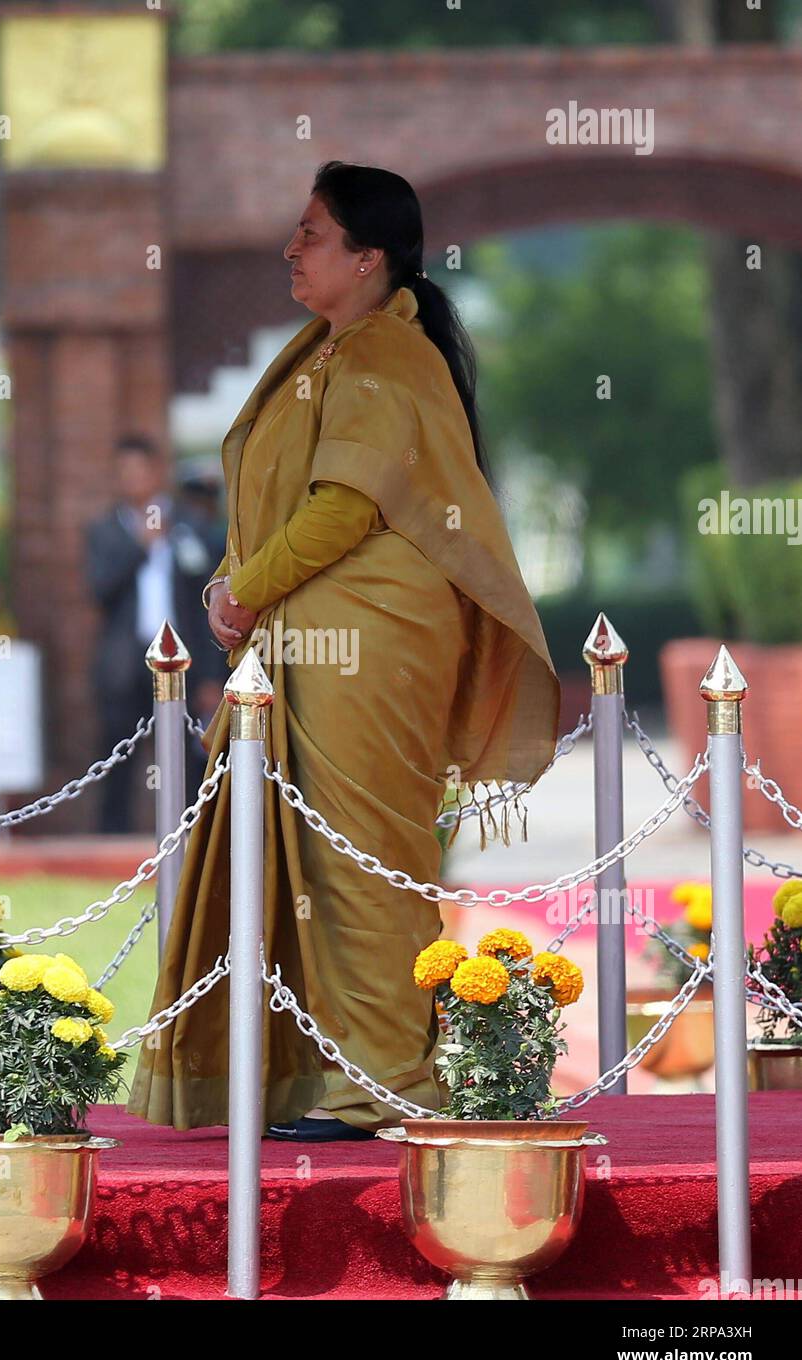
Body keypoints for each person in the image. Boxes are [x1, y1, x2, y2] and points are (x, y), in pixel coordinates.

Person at [127, 161, 561, 1141]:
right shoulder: (340, 348)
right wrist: (241, 589)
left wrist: (245, 589)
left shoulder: (379, 358)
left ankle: (383, 1084)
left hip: (369, 643)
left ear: (367, 259)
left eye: (312, 233)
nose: (291, 247)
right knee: (320, 860)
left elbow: (343, 507)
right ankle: (317, 1074)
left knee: (359, 860)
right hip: (324, 639)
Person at [85, 434, 228, 835]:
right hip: (124, 663)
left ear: (156, 472)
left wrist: (214, 675)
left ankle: (187, 841)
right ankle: (112, 849)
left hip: (185, 661)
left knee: (186, 757)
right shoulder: (105, 531)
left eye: (138, 470)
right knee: (118, 757)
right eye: (122, 472)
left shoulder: (191, 527)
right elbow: (100, 590)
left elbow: (209, 604)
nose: (131, 479)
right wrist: (141, 548)